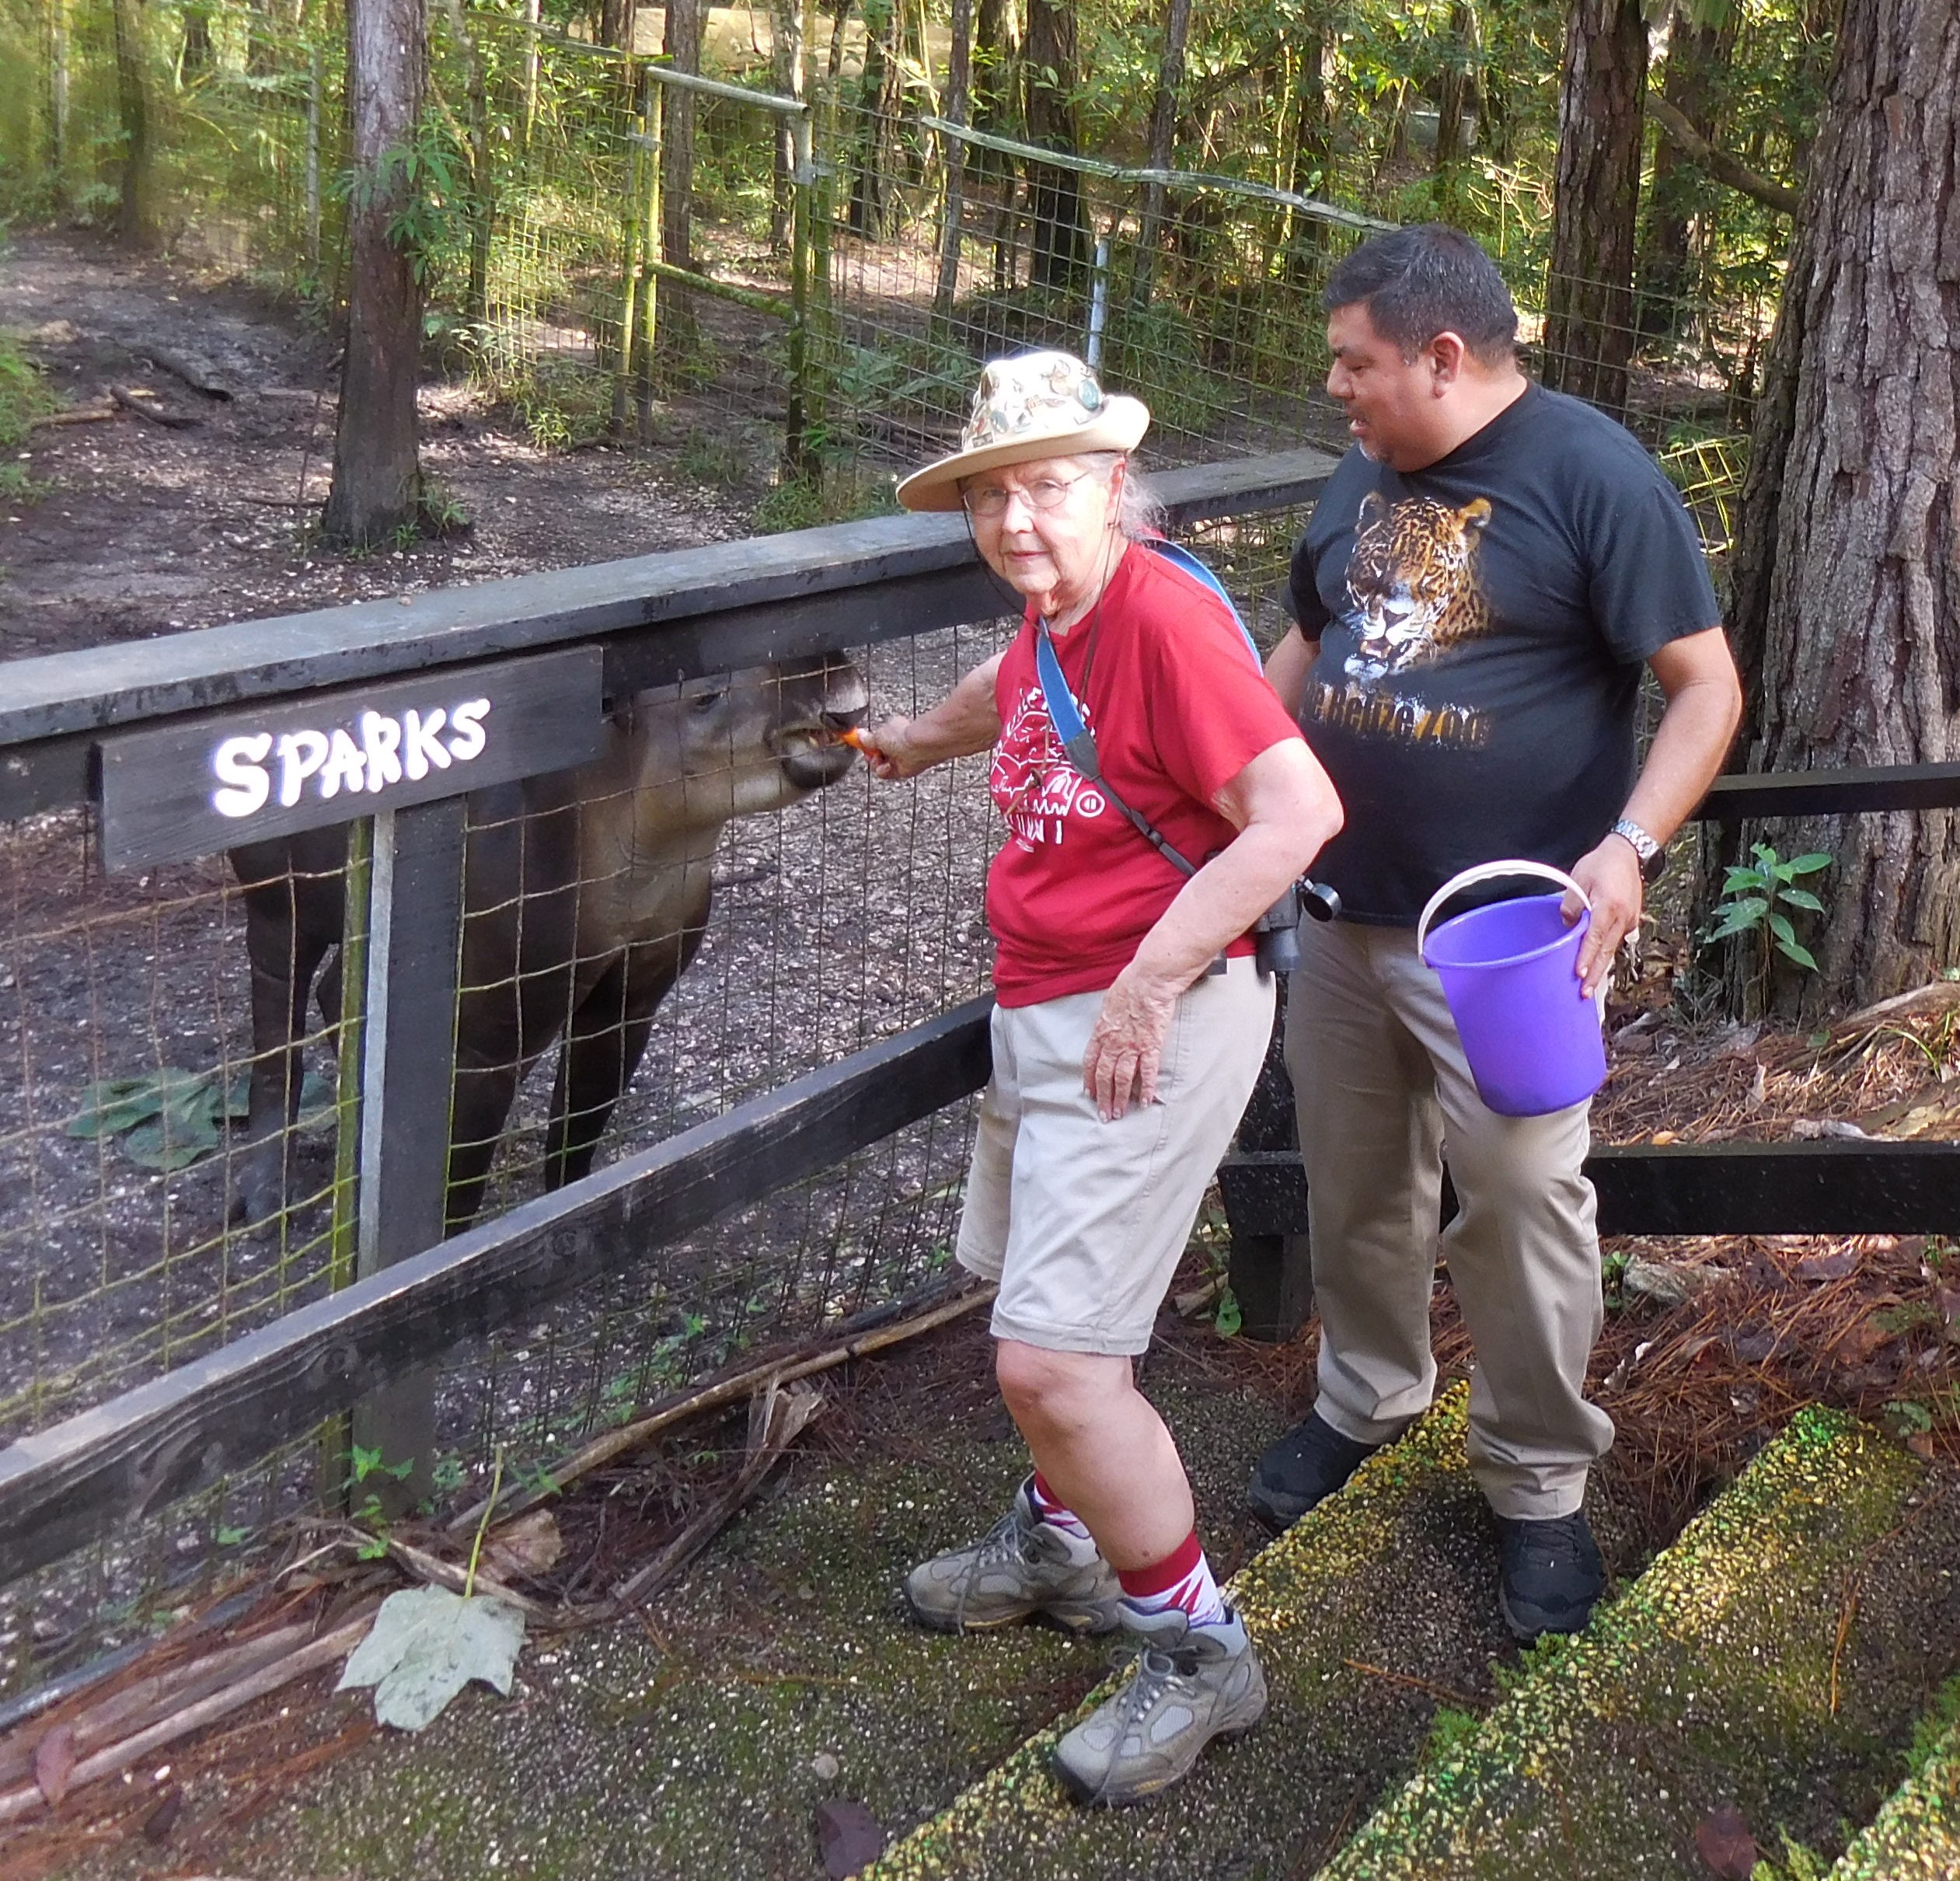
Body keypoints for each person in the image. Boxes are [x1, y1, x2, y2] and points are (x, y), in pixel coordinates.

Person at [859, 349, 1344, 1806]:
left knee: (1054, 1360)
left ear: (1114, 489)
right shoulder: (1054, 618)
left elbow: (1296, 812)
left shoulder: (1158, 620)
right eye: (992, 496)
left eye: (1051, 487)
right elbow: (1000, 686)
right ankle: (1063, 1540)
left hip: (1152, 1018)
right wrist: (906, 745)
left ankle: (1198, 1651)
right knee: (1044, 1310)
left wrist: (1146, 978)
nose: (1019, 519)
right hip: (1051, 1010)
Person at [1249, 224, 1744, 1642]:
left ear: (1441, 358)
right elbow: (1304, 631)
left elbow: (1704, 688)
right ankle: (1367, 1397)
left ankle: (1535, 1484)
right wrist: (1235, 775)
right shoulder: (1365, 465)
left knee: (1524, 1203)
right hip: (1343, 912)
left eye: (1354, 363)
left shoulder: (1593, 477)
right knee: (1354, 1185)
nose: (1335, 388)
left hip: (1509, 945)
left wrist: (1630, 847)